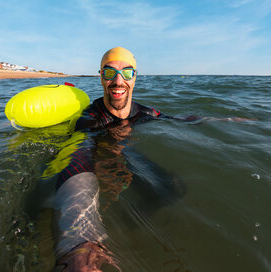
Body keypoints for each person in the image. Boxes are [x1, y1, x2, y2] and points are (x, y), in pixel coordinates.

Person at [51, 47, 248, 271]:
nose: (118, 81)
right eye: (109, 73)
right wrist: (77, 243)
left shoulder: (145, 113)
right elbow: (77, 161)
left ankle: (126, 225)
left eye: (126, 72)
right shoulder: (89, 120)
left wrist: (226, 119)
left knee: (174, 187)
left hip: (128, 154)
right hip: (100, 154)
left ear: (135, 77)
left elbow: (180, 119)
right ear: (100, 76)